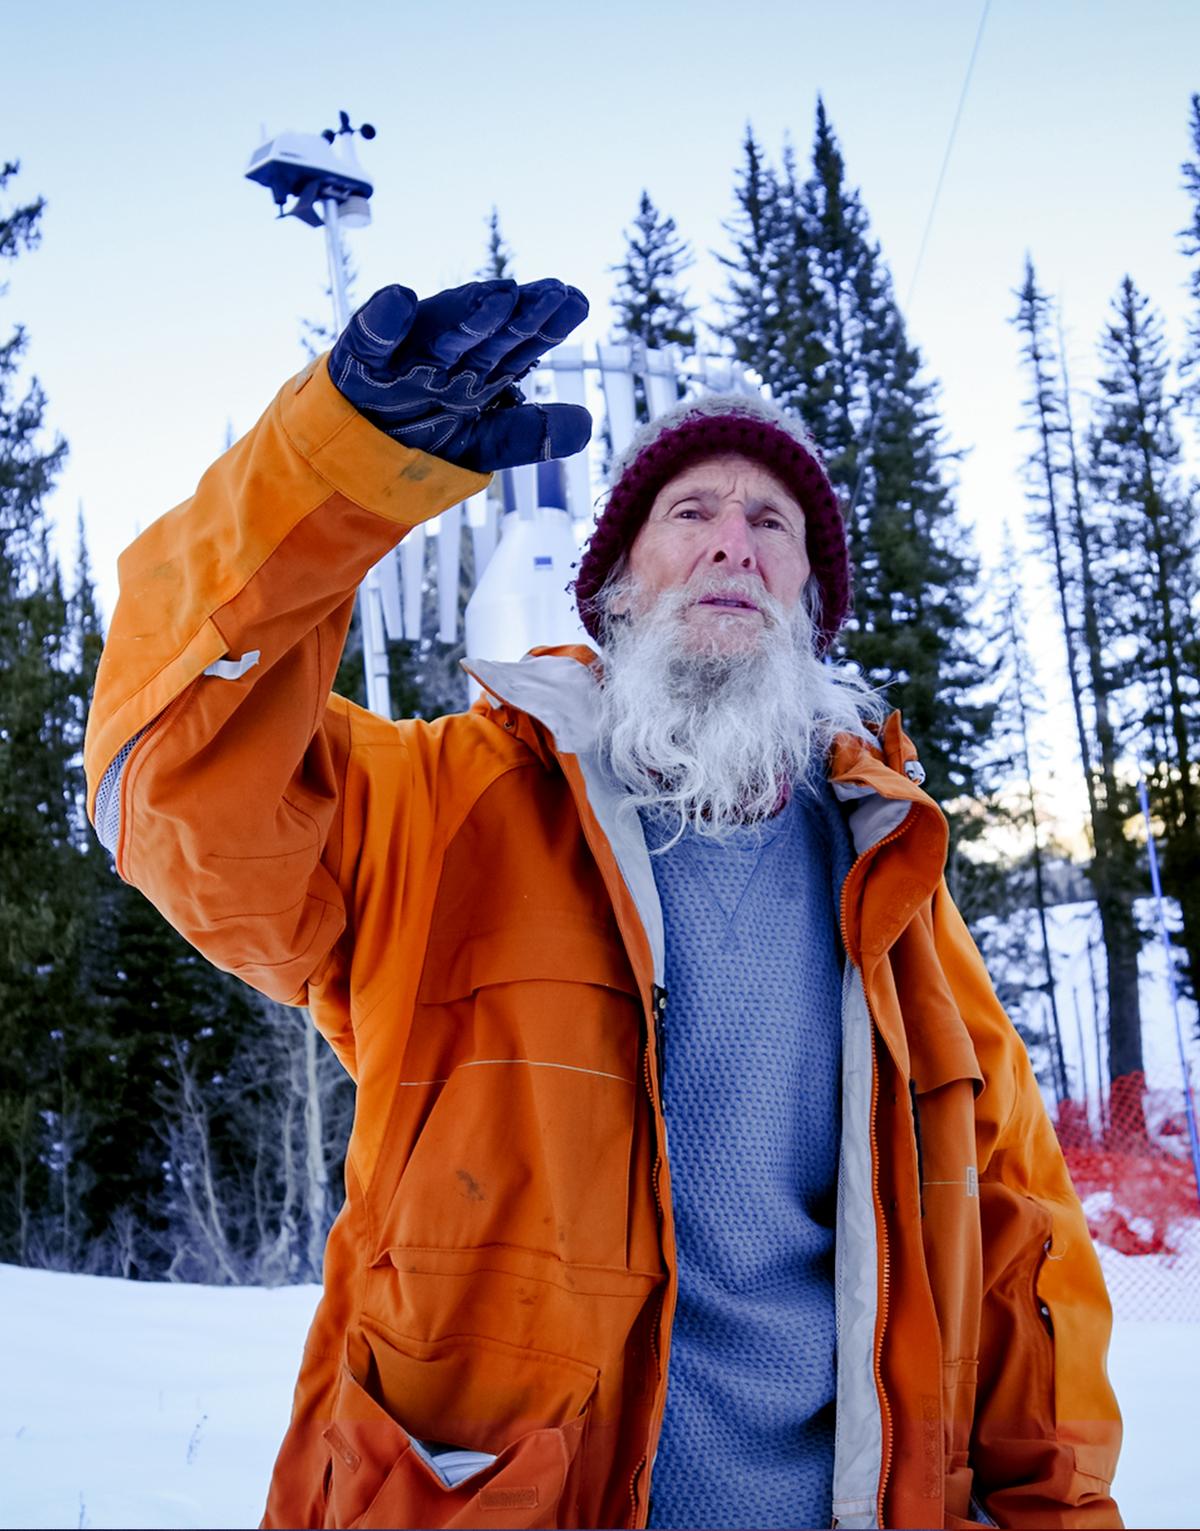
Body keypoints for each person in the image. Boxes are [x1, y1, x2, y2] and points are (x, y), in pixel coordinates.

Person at [84, 278, 1122, 1530]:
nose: (733, 538)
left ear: (811, 608)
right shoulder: (448, 811)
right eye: (690, 511)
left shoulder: (898, 895)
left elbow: (1023, 1262)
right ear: (618, 590)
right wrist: (338, 467)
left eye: (772, 522)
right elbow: (177, 786)